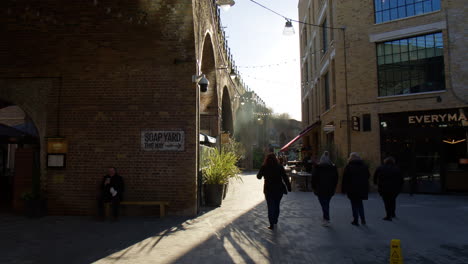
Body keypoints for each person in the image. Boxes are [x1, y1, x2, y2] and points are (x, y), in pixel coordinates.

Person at [257, 153, 292, 230]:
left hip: (268, 189)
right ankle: (275, 220)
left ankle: (271, 223)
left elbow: (258, 177)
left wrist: (262, 171)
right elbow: (285, 177)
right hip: (278, 189)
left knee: (270, 206)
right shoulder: (279, 166)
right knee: (276, 205)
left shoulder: (264, 167)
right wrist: (289, 187)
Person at [342, 152, 370, 226]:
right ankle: (363, 219)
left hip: (352, 188)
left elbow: (345, 178)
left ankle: (356, 220)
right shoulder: (364, 166)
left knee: (354, 204)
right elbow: (368, 176)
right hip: (361, 188)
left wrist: (344, 189)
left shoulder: (348, 166)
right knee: (360, 204)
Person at [311, 151, 338, 227]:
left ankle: (326, 218)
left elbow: (313, 179)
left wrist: (313, 187)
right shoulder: (333, 168)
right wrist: (334, 186)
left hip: (320, 189)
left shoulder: (317, 168)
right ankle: (325, 217)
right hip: (330, 189)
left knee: (324, 203)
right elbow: (336, 179)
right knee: (326, 203)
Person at [373, 156, 404, 221]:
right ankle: (393, 213)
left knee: (386, 201)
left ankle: (388, 215)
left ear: (385, 161)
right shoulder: (397, 168)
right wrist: (400, 187)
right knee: (392, 200)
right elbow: (401, 179)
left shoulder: (380, 168)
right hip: (395, 188)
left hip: (383, 187)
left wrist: (376, 183)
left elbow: (375, 176)